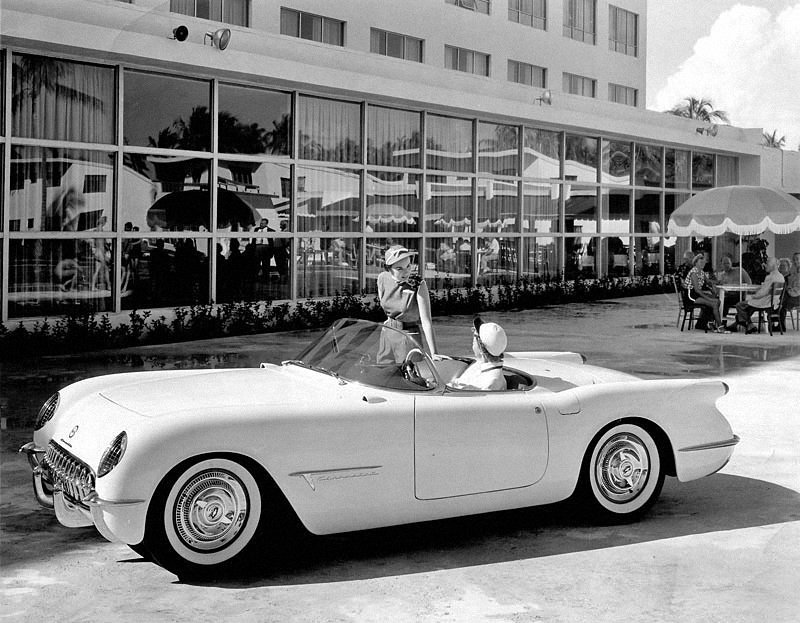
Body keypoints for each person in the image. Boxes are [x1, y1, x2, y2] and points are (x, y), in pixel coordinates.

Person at [377, 245, 438, 362]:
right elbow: (384, 303)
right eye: (399, 268)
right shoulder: (382, 279)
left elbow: (426, 322)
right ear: (388, 268)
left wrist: (434, 353)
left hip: (409, 337)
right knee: (384, 373)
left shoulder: (418, 285)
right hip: (388, 333)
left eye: (408, 266)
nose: (406, 271)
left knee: (409, 376)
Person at [449, 317, 508, 391]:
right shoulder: (480, 366)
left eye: (475, 335)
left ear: (481, 347)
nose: (472, 332)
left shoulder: (491, 383)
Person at [734, 257, 785, 334]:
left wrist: (752, 296)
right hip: (775, 302)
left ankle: (748, 324)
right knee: (747, 306)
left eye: (767, 264)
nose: (765, 265)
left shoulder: (770, 277)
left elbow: (762, 293)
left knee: (740, 305)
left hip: (765, 302)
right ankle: (746, 323)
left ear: (773, 266)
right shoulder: (781, 277)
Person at [684, 253, 726, 333]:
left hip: (697, 294)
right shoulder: (694, 273)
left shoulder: (701, 272)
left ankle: (710, 322)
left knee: (717, 301)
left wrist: (718, 282)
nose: (703, 264)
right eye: (701, 262)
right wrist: (708, 298)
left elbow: (708, 282)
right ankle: (720, 326)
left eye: (703, 262)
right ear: (696, 263)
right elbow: (697, 290)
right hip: (691, 296)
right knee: (713, 302)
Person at [779, 252, 800, 331]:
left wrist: (788, 290)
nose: (795, 261)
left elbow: (796, 289)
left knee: (781, 302)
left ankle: (780, 325)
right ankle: (780, 324)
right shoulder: (794, 273)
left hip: (797, 297)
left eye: (797, 259)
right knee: (780, 300)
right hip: (793, 295)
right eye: (794, 259)